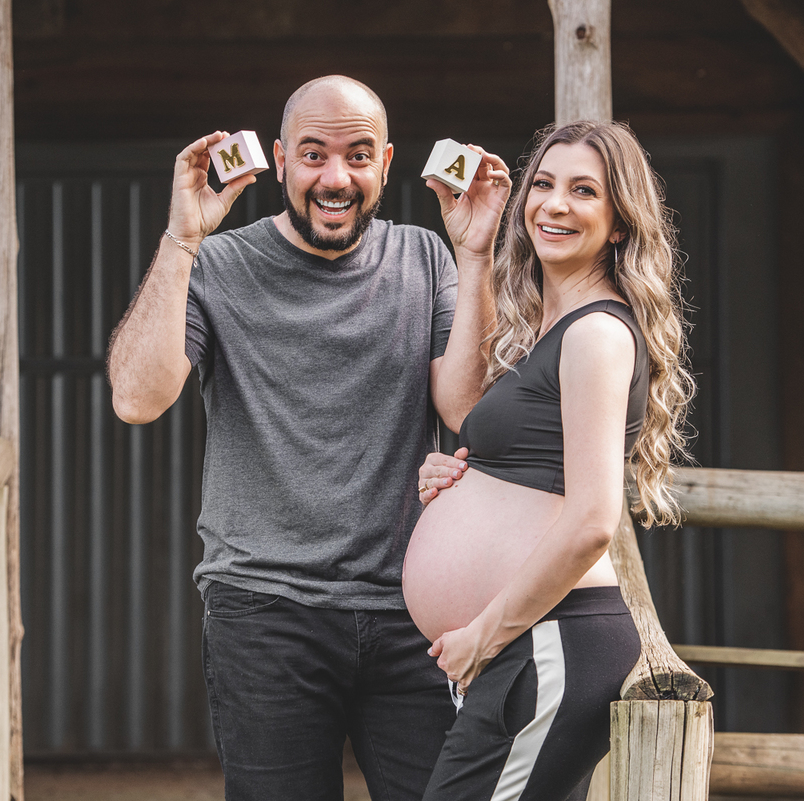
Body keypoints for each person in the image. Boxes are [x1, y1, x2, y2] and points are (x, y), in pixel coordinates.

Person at [106, 75, 511, 800]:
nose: (336, 177)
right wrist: (182, 238)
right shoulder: (218, 266)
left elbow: (469, 409)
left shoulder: (427, 258)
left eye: (357, 156)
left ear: (386, 164)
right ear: (281, 159)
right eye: (315, 154)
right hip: (264, 611)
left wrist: (476, 255)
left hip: (412, 612)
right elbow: (137, 397)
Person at [405, 120, 695, 801]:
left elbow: (594, 519)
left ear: (619, 224)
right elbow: (458, 403)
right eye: (543, 184)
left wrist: (483, 633)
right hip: (528, 644)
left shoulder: (596, 333)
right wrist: (464, 477)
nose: (554, 204)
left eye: (583, 191)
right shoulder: (546, 330)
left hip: (549, 641)